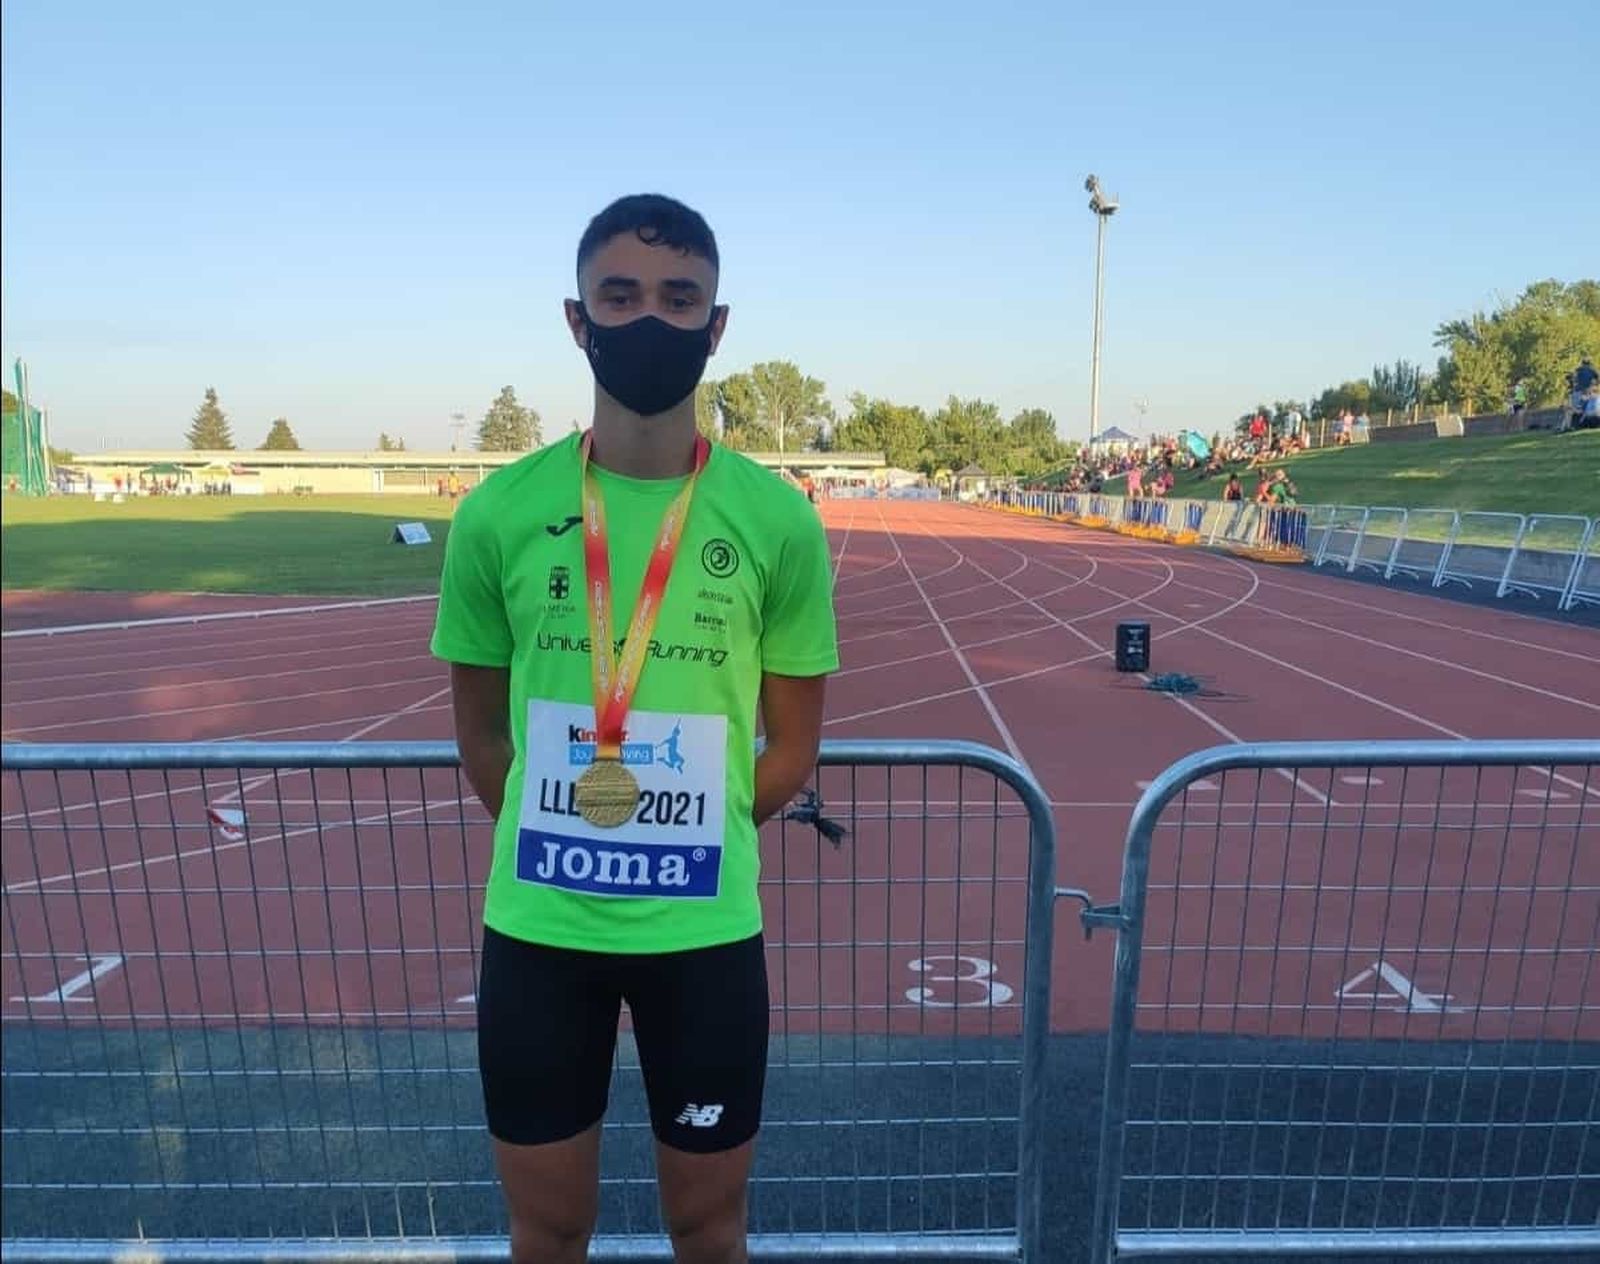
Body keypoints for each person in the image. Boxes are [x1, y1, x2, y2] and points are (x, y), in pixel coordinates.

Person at [431, 194, 839, 1264]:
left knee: (708, 1227)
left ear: (716, 324)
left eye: (677, 299)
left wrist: (685, 821)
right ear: (578, 319)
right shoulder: (497, 514)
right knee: (548, 1229)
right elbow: (481, 739)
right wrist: (581, 822)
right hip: (539, 933)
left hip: (702, 938)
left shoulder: (776, 519)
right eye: (620, 296)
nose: (648, 320)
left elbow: (792, 748)